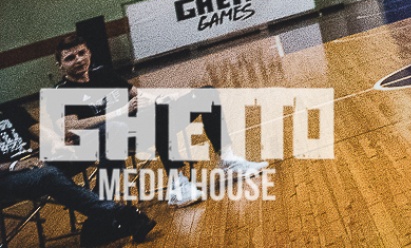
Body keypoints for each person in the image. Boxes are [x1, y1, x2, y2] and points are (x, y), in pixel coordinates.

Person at [51, 33, 262, 206]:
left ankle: (227, 159)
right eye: (70, 58)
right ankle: (177, 183)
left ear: (89, 53)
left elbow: (137, 94)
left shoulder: (102, 73)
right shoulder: (63, 91)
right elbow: (70, 127)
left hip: (147, 124)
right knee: (156, 114)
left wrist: (166, 98)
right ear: (60, 65)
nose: (78, 60)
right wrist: (120, 112)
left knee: (206, 95)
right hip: (114, 141)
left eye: (82, 53)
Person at [0, 99, 155, 246]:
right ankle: (122, 214)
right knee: (49, 175)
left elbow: (38, 130)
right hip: (7, 177)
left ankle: (99, 223)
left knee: (112, 134)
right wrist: (14, 165)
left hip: (36, 164)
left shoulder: (10, 109)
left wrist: (56, 143)